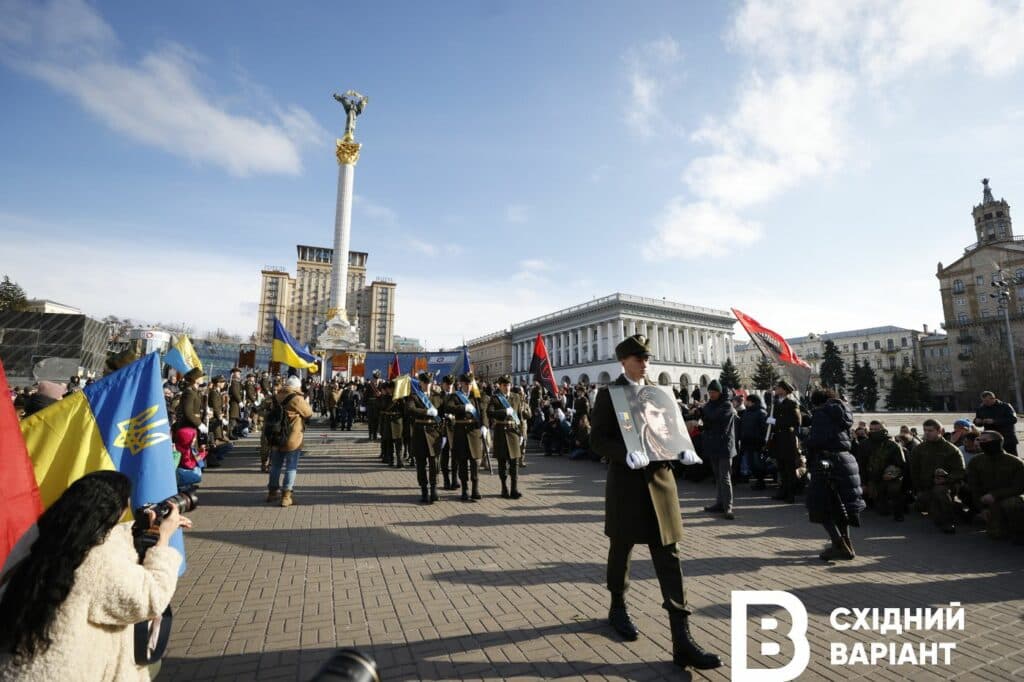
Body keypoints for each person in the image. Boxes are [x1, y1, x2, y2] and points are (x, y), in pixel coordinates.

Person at [590, 334, 720, 672]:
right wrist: (622, 453)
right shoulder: (610, 394)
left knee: (670, 556)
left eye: (646, 357)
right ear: (623, 361)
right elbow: (597, 438)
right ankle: (617, 605)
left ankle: (682, 639)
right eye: (637, 358)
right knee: (621, 548)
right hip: (627, 483)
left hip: (661, 482)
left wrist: (685, 449)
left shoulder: (660, 393)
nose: (644, 363)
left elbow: (670, 428)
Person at [0, 471, 191, 681]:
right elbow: (150, 599)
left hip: (20, 665)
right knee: (152, 664)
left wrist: (140, 527)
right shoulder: (96, 559)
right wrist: (163, 539)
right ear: (114, 513)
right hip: (69, 672)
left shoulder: (45, 533)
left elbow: (106, 537)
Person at [803, 388, 863, 561]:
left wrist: (806, 438)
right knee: (840, 507)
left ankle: (838, 544)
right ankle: (846, 543)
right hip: (844, 460)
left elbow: (819, 439)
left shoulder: (822, 414)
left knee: (820, 506)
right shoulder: (840, 412)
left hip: (827, 463)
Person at [909, 419, 965, 533]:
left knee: (940, 492)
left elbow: (960, 471)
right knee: (926, 504)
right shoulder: (919, 449)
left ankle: (948, 522)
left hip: (946, 486)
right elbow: (914, 471)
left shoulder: (951, 449)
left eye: (931, 430)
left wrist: (945, 479)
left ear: (940, 431)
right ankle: (953, 508)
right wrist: (917, 489)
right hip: (926, 485)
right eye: (925, 430)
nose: (927, 433)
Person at [967, 431, 1024, 540]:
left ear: (997, 443)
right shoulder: (976, 461)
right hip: (988, 501)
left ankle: (1018, 530)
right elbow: (974, 487)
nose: (980, 443)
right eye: (979, 440)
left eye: (985, 441)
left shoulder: (1015, 463)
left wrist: (995, 494)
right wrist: (981, 508)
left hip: (1008, 498)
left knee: (1012, 503)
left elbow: (1019, 488)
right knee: (996, 535)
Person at [266, 376, 313, 508]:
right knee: (291, 467)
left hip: (275, 436)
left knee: (275, 466)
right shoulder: (297, 398)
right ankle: (286, 496)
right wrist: (306, 402)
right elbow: (308, 413)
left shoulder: (276, 396)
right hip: (292, 438)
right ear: (296, 387)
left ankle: (272, 492)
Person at [697, 380, 738, 520]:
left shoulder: (726, 405)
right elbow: (707, 422)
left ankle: (728, 507)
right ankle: (720, 503)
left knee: (725, 477)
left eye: (713, 392)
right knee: (717, 477)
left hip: (725, 447)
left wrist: (703, 410)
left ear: (720, 392)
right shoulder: (710, 405)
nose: (711, 394)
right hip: (713, 445)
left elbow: (714, 418)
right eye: (709, 392)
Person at [445, 373, 488, 501]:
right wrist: (464, 407)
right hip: (460, 432)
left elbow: (483, 412)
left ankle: (475, 489)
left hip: (474, 432)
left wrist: (484, 425)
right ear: (461, 384)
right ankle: (464, 489)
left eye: (470, 384)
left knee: (475, 462)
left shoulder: (477, 396)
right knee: (462, 462)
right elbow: (448, 407)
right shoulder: (455, 396)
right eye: (466, 384)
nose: (468, 386)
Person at [487, 375, 528, 500]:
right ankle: (504, 487)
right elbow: (490, 412)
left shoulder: (516, 397)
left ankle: (514, 489)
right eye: (504, 385)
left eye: (508, 385)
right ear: (500, 386)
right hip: (501, 432)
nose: (507, 387)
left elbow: (520, 417)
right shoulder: (495, 398)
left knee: (514, 463)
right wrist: (504, 412)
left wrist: (521, 433)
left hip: (513, 432)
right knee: (502, 463)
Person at [406, 372, 443, 504]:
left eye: (429, 382)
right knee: (421, 464)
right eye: (425, 382)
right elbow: (410, 409)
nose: (427, 385)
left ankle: (434, 489)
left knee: (434, 463)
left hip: (434, 433)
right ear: (420, 383)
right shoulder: (414, 396)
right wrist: (426, 412)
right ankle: (424, 490)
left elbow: (443, 411)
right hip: (420, 433)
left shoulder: (437, 397)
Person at [860, 421, 908, 521]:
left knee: (894, 489)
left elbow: (902, 465)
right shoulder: (864, 445)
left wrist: (892, 474)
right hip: (873, 478)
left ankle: (899, 511)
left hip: (890, 478)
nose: (873, 432)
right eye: (871, 429)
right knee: (882, 511)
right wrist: (864, 483)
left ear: (884, 430)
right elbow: (861, 465)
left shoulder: (893, 445)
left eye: (877, 430)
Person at [768, 379, 802, 503]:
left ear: (784, 390)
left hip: (788, 438)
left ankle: (790, 494)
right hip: (777, 438)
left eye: (778, 388)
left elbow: (797, 422)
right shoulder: (775, 404)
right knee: (781, 467)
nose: (776, 389)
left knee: (789, 468)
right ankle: (782, 491)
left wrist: (776, 422)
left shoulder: (792, 404)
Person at [739, 394, 769, 490]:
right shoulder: (747, 412)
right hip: (747, 442)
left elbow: (764, 429)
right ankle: (758, 480)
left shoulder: (761, 412)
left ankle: (761, 481)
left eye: (746, 401)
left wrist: (764, 443)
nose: (745, 402)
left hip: (757, 443)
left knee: (758, 464)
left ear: (751, 402)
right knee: (751, 463)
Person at [974, 391, 1019, 455]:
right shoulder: (981, 408)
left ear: (993, 398)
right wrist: (977, 421)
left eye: (987, 401)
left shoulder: (1005, 406)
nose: (985, 403)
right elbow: (978, 422)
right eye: (983, 401)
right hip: (990, 440)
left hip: (1007, 438)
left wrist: (994, 421)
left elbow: (1013, 419)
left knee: (1012, 460)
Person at [227, 368, 243, 440]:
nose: (239, 374)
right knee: (233, 418)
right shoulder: (233, 382)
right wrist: (239, 401)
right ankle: (230, 434)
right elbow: (235, 393)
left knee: (235, 418)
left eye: (239, 373)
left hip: (236, 403)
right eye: (237, 372)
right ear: (233, 374)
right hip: (234, 403)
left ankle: (232, 433)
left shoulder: (237, 382)